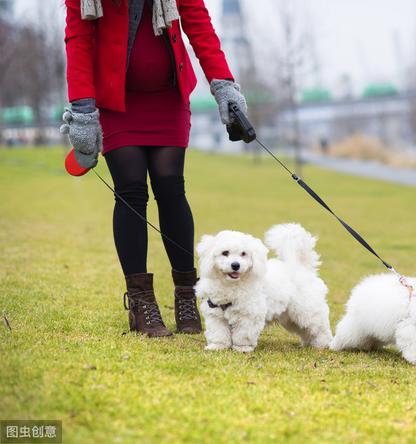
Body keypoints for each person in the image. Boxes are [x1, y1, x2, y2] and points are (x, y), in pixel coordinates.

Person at [61, 0, 247, 337]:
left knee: (171, 187)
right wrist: (83, 108)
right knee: (131, 191)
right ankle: (141, 303)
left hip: (168, 97)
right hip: (116, 100)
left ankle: (186, 295)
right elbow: (79, 37)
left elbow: (199, 25)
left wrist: (223, 85)